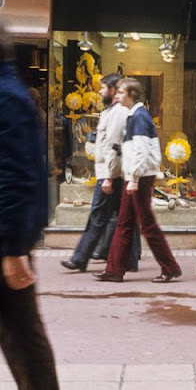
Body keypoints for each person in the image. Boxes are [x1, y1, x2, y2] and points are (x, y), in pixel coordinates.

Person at [0, 18, 60, 389]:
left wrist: (13, 246)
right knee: (22, 337)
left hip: (4, 242)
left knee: (24, 339)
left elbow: (18, 175)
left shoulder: (8, 97)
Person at [93, 78, 182, 283]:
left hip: (138, 178)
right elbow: (137, 150)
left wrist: (133, 178)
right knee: (126, 222)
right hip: (136, 176)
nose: (117, 95)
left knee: (145, 225)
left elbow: (141, 151)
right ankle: (114, 270)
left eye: (122, 92)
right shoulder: (137, 115)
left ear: (132, 94)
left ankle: (169, 267)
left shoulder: (139, 117)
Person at [60, 73, 140, 272]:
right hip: (113, 174)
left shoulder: (117, 113)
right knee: (122, 218)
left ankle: (80, 258)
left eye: (103, 89)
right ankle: (129, 260)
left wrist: (108, 178)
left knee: (98, 217)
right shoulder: (112, 111)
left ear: (112, 91)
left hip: (111, 175)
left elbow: (113, 147)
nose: (100, 92)